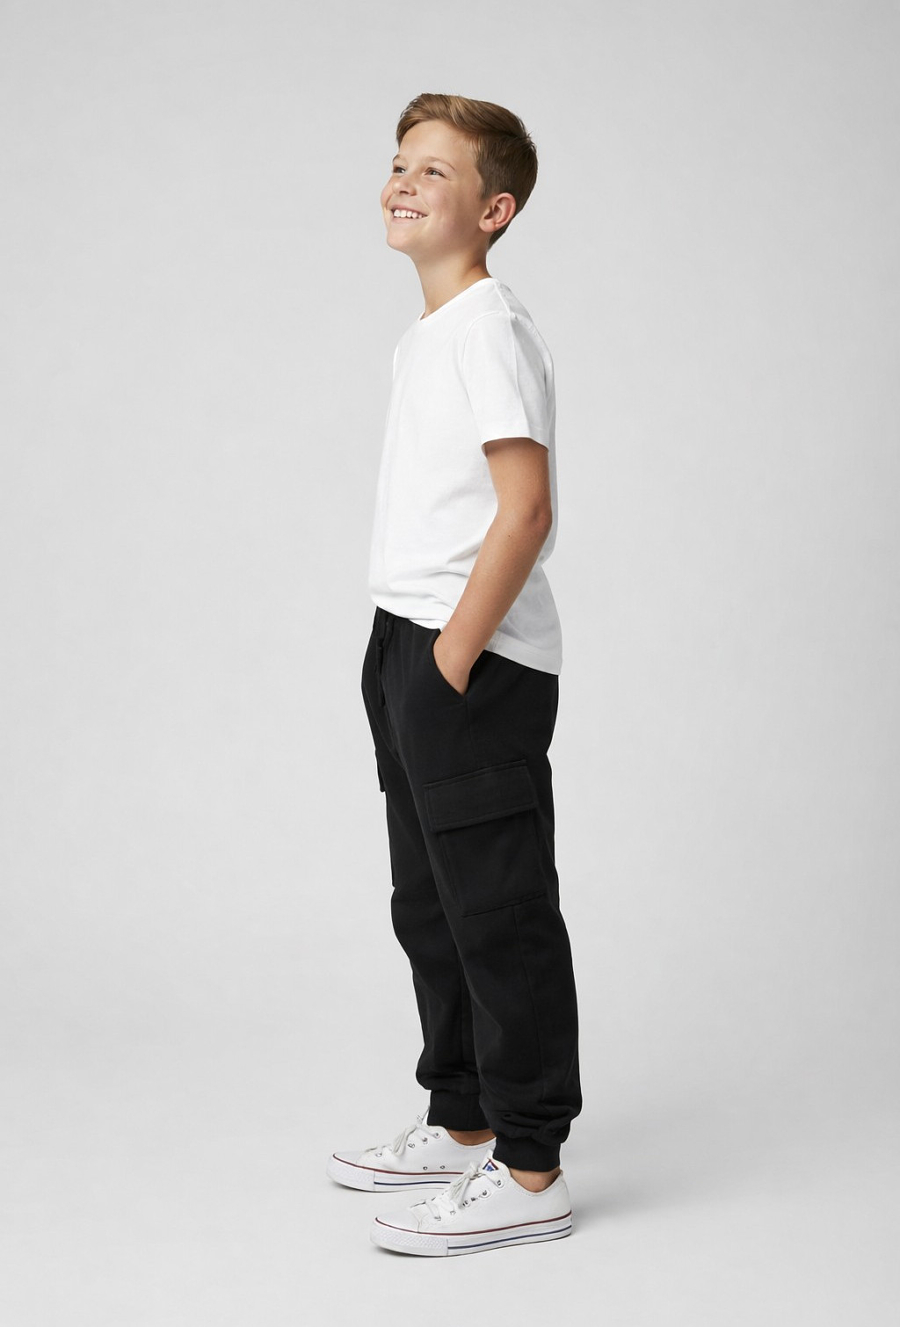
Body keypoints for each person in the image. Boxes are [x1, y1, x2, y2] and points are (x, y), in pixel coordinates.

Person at [326, 92, 582, 1257]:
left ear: (494, 210)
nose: (403, 181)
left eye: (434, 169)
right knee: (428, 903)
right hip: (408, 640)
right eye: (399, 162)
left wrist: (452, 656)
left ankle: (531, 1169)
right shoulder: (428, 334)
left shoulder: (488, 327)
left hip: (467, 658)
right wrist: (408, 654)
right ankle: (464, 1117)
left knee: (498, 910)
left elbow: (525, 511)